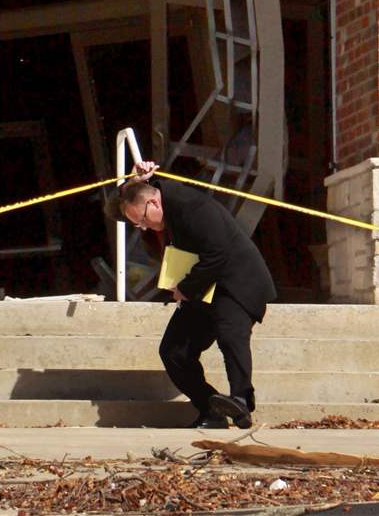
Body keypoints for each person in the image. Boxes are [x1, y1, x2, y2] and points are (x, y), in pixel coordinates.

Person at [115, 159, 276, 429]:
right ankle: (211, 409)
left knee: (230, 335)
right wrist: (133, 180)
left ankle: (241, 401)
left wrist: (186, 289)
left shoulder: (193, 207)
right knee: (173, 351)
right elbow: (119, 204)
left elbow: (218, 254)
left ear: (153, 203)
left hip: (234, 283)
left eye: (142, 220)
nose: (142, 227)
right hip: (200, 284)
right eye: (136, 224)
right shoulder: (152, 198)